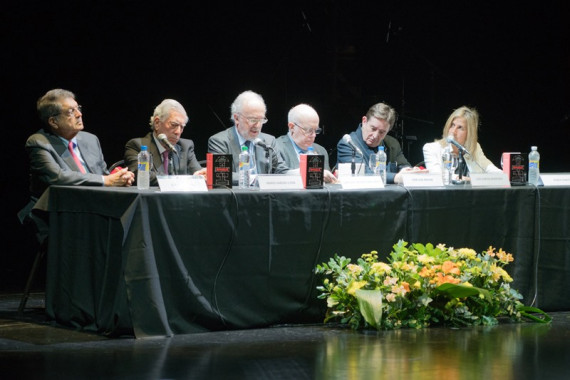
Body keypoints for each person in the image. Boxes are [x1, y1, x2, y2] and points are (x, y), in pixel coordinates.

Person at [20, 88, 135, 239]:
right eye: (70, 112)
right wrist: (106, 180)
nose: (79, 114)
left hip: (93, 212)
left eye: (78, 108)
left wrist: (119, 178)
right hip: (57, 218)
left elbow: (104, 175)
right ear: (53, 121)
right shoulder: (39, 142)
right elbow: (57, 177)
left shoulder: (90, 139)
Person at [208, 90, 289, 184]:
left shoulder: (269, 141)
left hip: (266, 197)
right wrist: (255, 179)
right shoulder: (219, 141)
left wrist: (298, 175)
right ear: (237, 118)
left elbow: (281, 171)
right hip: (238, 197)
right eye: (252, 119)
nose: (257, 125)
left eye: (261, 119)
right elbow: (221, 174)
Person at [124, 99, 206, 186]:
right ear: (157, 123)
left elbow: (198, 173)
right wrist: (180, 180)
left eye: (182, 127)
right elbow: (143, 176)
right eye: (174, 125)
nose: (178, 132)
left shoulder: (186, 146)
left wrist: (203, 175)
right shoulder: (137, 146)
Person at [337, 102, 420, 183]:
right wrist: (395, 177)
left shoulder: (392, 144)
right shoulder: (348, 143)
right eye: (373, 129)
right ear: (364, 121)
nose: (375, 136)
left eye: (382, 132)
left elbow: (403, 165)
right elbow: (362, 174)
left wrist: (408, 171)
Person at [422, 106, 501, 178]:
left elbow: (489, 167)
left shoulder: (474, 147)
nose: (453, 131)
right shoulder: (431, 148)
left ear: (469, 133)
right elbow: (437, 176)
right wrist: (465, 180)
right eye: (452, 125)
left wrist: (505, 176)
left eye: (460, 128)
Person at [275, 103, 337, 183]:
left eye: (316, 130)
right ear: (292, 127)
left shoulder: (321, 151)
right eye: (308, 130)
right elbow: (279, 178)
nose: (314, 135)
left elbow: (327, 186)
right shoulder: (276, 147)